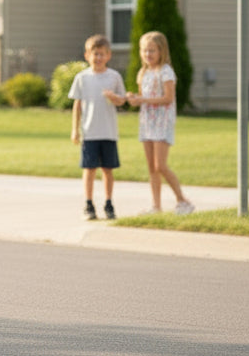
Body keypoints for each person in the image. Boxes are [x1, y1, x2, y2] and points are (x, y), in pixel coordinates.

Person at [126, 30, 194, 214]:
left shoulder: (166, 72)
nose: (148, 54)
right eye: (145, 50)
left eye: (152, 50)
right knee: (151, 167)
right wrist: (134, 99)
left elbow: (168, 98)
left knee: (160, 165)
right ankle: (156, 206)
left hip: (162, 123)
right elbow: (142, 97)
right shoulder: (143, 72)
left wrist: (143, 100)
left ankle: (183, 201)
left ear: (161, 51)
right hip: (147, 123)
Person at [69, 35, 126, 221]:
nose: (98, 58)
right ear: (87, 55)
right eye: (95, 54)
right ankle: (89, 203)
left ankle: (109, 203)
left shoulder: (114, 77)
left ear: (108, 55)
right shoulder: (82, 78)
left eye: (102, 54)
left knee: (108, 170)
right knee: (89, 169)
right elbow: (77, 105)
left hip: (108, 132)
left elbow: (122, 101)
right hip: (90, 132)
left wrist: (113, 97)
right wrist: (75, 130)